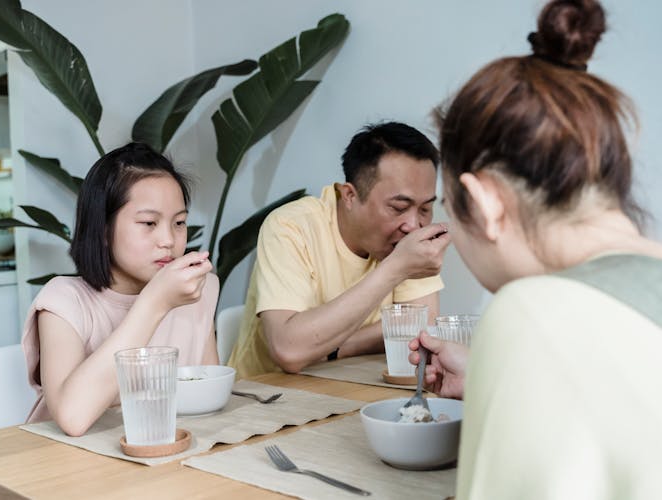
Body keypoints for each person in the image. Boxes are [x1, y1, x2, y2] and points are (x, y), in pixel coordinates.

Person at [408, 1, 662, 498]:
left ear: (485, 204)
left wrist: (516, 354)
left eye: (445, 206)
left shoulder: (532, 313)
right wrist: (491, 375)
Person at [22, 142, 218, 436]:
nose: (168, 239)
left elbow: (206, 399)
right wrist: (155, 303)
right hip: (64, 468)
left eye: (179, 222)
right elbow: (72, 418)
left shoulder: (198, 289)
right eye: (149, 223)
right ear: (102, 229)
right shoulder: (63, 301)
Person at [228, 121, 451, 378]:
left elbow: (421, 328)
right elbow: (289, 350)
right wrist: (395, 269)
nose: (414, 225)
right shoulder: (291, 226)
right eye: (399, 208)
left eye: (425, 209)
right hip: (265, 397)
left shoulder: (406, 240)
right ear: (349, 196)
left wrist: (334, 347)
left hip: (352, 387)